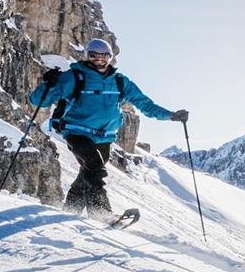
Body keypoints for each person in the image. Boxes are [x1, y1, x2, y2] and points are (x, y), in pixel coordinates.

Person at [29, 38, 187, 217]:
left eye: (104, 55)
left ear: (110, 57)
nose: (99, 59)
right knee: (95, 167)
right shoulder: (74, 77)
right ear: (88, 56)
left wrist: (171, 115)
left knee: (86, 175)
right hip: (77, 132)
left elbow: (145, 104)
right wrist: (48, 84)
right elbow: (37, 101)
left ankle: (70, 211)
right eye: (94, 55)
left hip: (105, 138)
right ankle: (102, 213)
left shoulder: (120, 81)